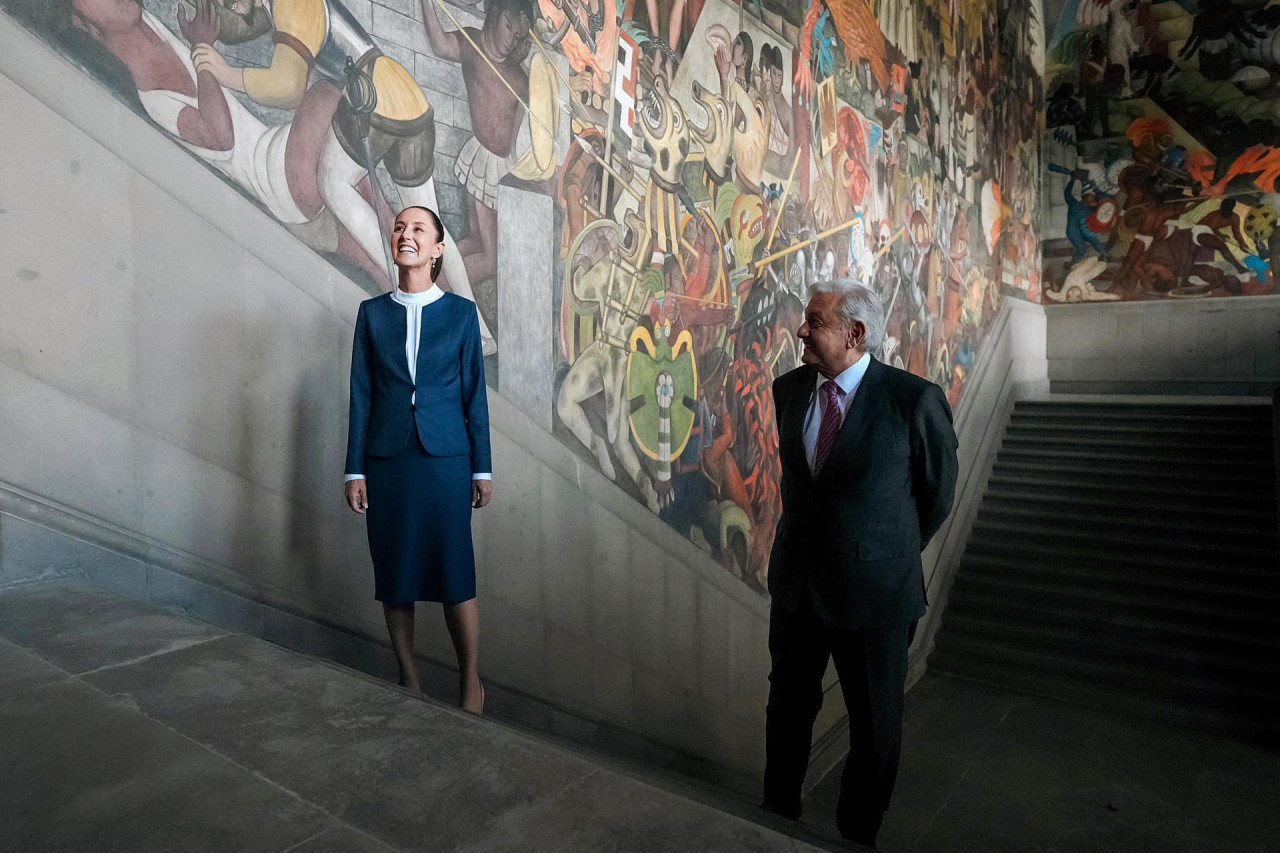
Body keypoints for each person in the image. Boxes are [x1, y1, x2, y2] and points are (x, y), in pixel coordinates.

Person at [761, 279, 958, 848]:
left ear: (856, 334)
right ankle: (775, 818)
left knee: (875, 729)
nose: (801, 330)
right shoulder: (789, 390)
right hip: (798, 587)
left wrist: (882, 550)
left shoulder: (912, 399)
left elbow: (937, 494)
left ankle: (855, 837)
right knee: (787, 709)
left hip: (875, 596)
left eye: (815, 321)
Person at [344, 206, 493, 714]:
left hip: (446, 459)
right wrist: (354, 468)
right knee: (396, 571)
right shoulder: (372, 314)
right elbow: (361, 395)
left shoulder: (460, 314)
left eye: (418, 230)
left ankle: (470, 680)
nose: (405, 235)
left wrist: (482, 468)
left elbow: (475, 396)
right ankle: (408, 678)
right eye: (399, 227)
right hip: (388, 460)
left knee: (455, 573)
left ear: (438, 249)